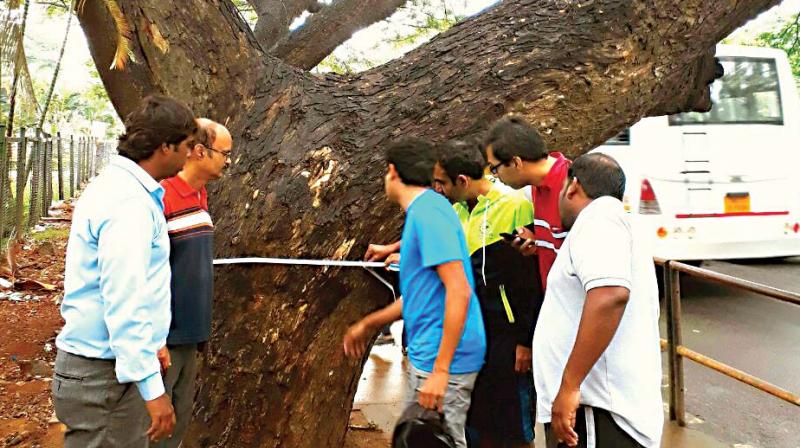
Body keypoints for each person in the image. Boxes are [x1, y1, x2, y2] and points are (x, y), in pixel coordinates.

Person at [53, 95, 198, 447]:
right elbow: (124, 300)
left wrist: (152, 345)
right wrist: (153, 389)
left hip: (108, 371)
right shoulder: (128, 204)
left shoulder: (129, 191)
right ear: (165, 147)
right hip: (103, 377)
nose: (191, 155)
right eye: (188, 146)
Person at [344, 137, 486, 448]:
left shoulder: (428, 215)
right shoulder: (428, 209)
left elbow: (459, 291)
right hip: (432, 351)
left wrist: (441, 371)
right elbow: (422, 295)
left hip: (444, 356)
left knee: (438, 441)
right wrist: (369, 324)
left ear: (393, 172)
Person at [532, 153, 663, 448]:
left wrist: (569, 385)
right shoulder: (606, 222)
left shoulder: (600, 218)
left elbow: (610, 295)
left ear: (573, 186)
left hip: (596, 414)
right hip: (592, 412)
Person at [432, 139, 542, 448]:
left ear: (463, 181)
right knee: (477, 425)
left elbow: (530, 281)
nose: (437, 189)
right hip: (471, 334)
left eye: (441, 182)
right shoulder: (455, 209)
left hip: (507, 336)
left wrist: (525, 341)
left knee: (514, 430)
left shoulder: (515, 205)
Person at [153, 118, 233, 447]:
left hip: (189, 336)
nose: (228, 160)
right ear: (199, 151)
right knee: (153, 429)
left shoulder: (200, 196)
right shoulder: (161, 196)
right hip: (164, 340)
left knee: (177, 423)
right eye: (225, 152)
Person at [484, 115, 571, 291]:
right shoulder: (536, 187)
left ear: (516, 162)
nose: (494, 175)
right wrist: (535, 244)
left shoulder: (572, 186)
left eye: (495, 168)